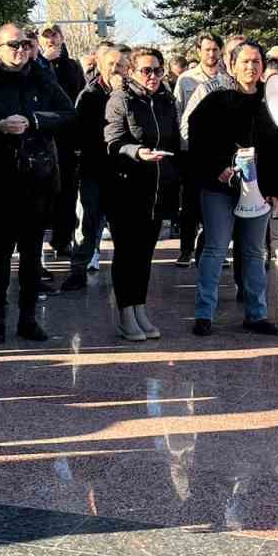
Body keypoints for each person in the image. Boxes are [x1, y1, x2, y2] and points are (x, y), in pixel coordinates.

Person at [0, 22, 74, 343]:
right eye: (13, 45)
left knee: (31, 252)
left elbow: (68, 114)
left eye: (26, 45)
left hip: (37, 176)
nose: (20, 51)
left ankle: (28, 318)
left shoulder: (42, 77)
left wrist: (36, 121)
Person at [187, 38, 278, 336]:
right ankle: (204, 313)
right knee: (216, 249)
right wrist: (218, 169)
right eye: (244, 61)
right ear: (231, 65)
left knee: (254, 253)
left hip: (259, 190)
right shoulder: (214, 101)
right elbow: (197, 144)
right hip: (219, 188)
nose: (250, 67)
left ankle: (256, 314)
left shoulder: (271, 104)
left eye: (256, 62)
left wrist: (276, 189)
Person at [104, 47, 181, 340]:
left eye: (158, 70)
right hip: (127, 187)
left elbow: (174, 137)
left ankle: (139, 308)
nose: (153, 76)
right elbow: (113, 141)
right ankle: (125, 312)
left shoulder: (165, 98)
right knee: (127, 253)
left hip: (158, 188)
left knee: (145, 253)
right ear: (132, 72)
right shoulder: (120, 99)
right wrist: (138, 152)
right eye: (146, 70)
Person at [60, 42, 125, 292]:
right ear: (100, 65)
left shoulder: (131, 92)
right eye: (111, 64)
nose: (116, 69)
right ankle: (78, 270)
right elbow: (78, 133)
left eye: (121, 65)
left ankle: (125, 272)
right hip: (94, 169)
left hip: (124, 171)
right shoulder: (89, 95)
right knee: (88, 223)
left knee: (122, 226)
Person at [173, 33, 226, 265]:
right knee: (191, 203)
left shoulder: (227, 78)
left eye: (215, 49)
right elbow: (178, 113)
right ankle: (186, 248)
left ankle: (212, 249)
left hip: (219, 152)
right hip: (191, 150)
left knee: (215, 202)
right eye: (207, 50)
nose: (211, 54)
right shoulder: (186, 80)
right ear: (199, 52)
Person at [36, 23, 86, 260]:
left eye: (54, 36)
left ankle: (63, 239)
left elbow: (77, 99)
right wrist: (43, 62)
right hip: (42, 136)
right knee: (44, 195)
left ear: (62, 38)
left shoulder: (72, 66)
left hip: (66, 139)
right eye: (46, 37)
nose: (51, 41)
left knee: (66, 192)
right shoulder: (36, 64)